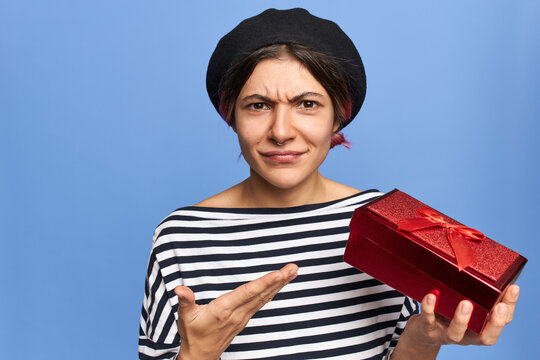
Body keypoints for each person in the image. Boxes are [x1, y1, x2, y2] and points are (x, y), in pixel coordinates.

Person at [138, 8, 519, 360]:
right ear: (232, 117)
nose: (281, 131)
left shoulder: (385, 225)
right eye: (258, 105)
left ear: (337, 117)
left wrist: (422, 340)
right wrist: (197, 355)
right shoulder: (180, 237)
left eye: (307, 104)